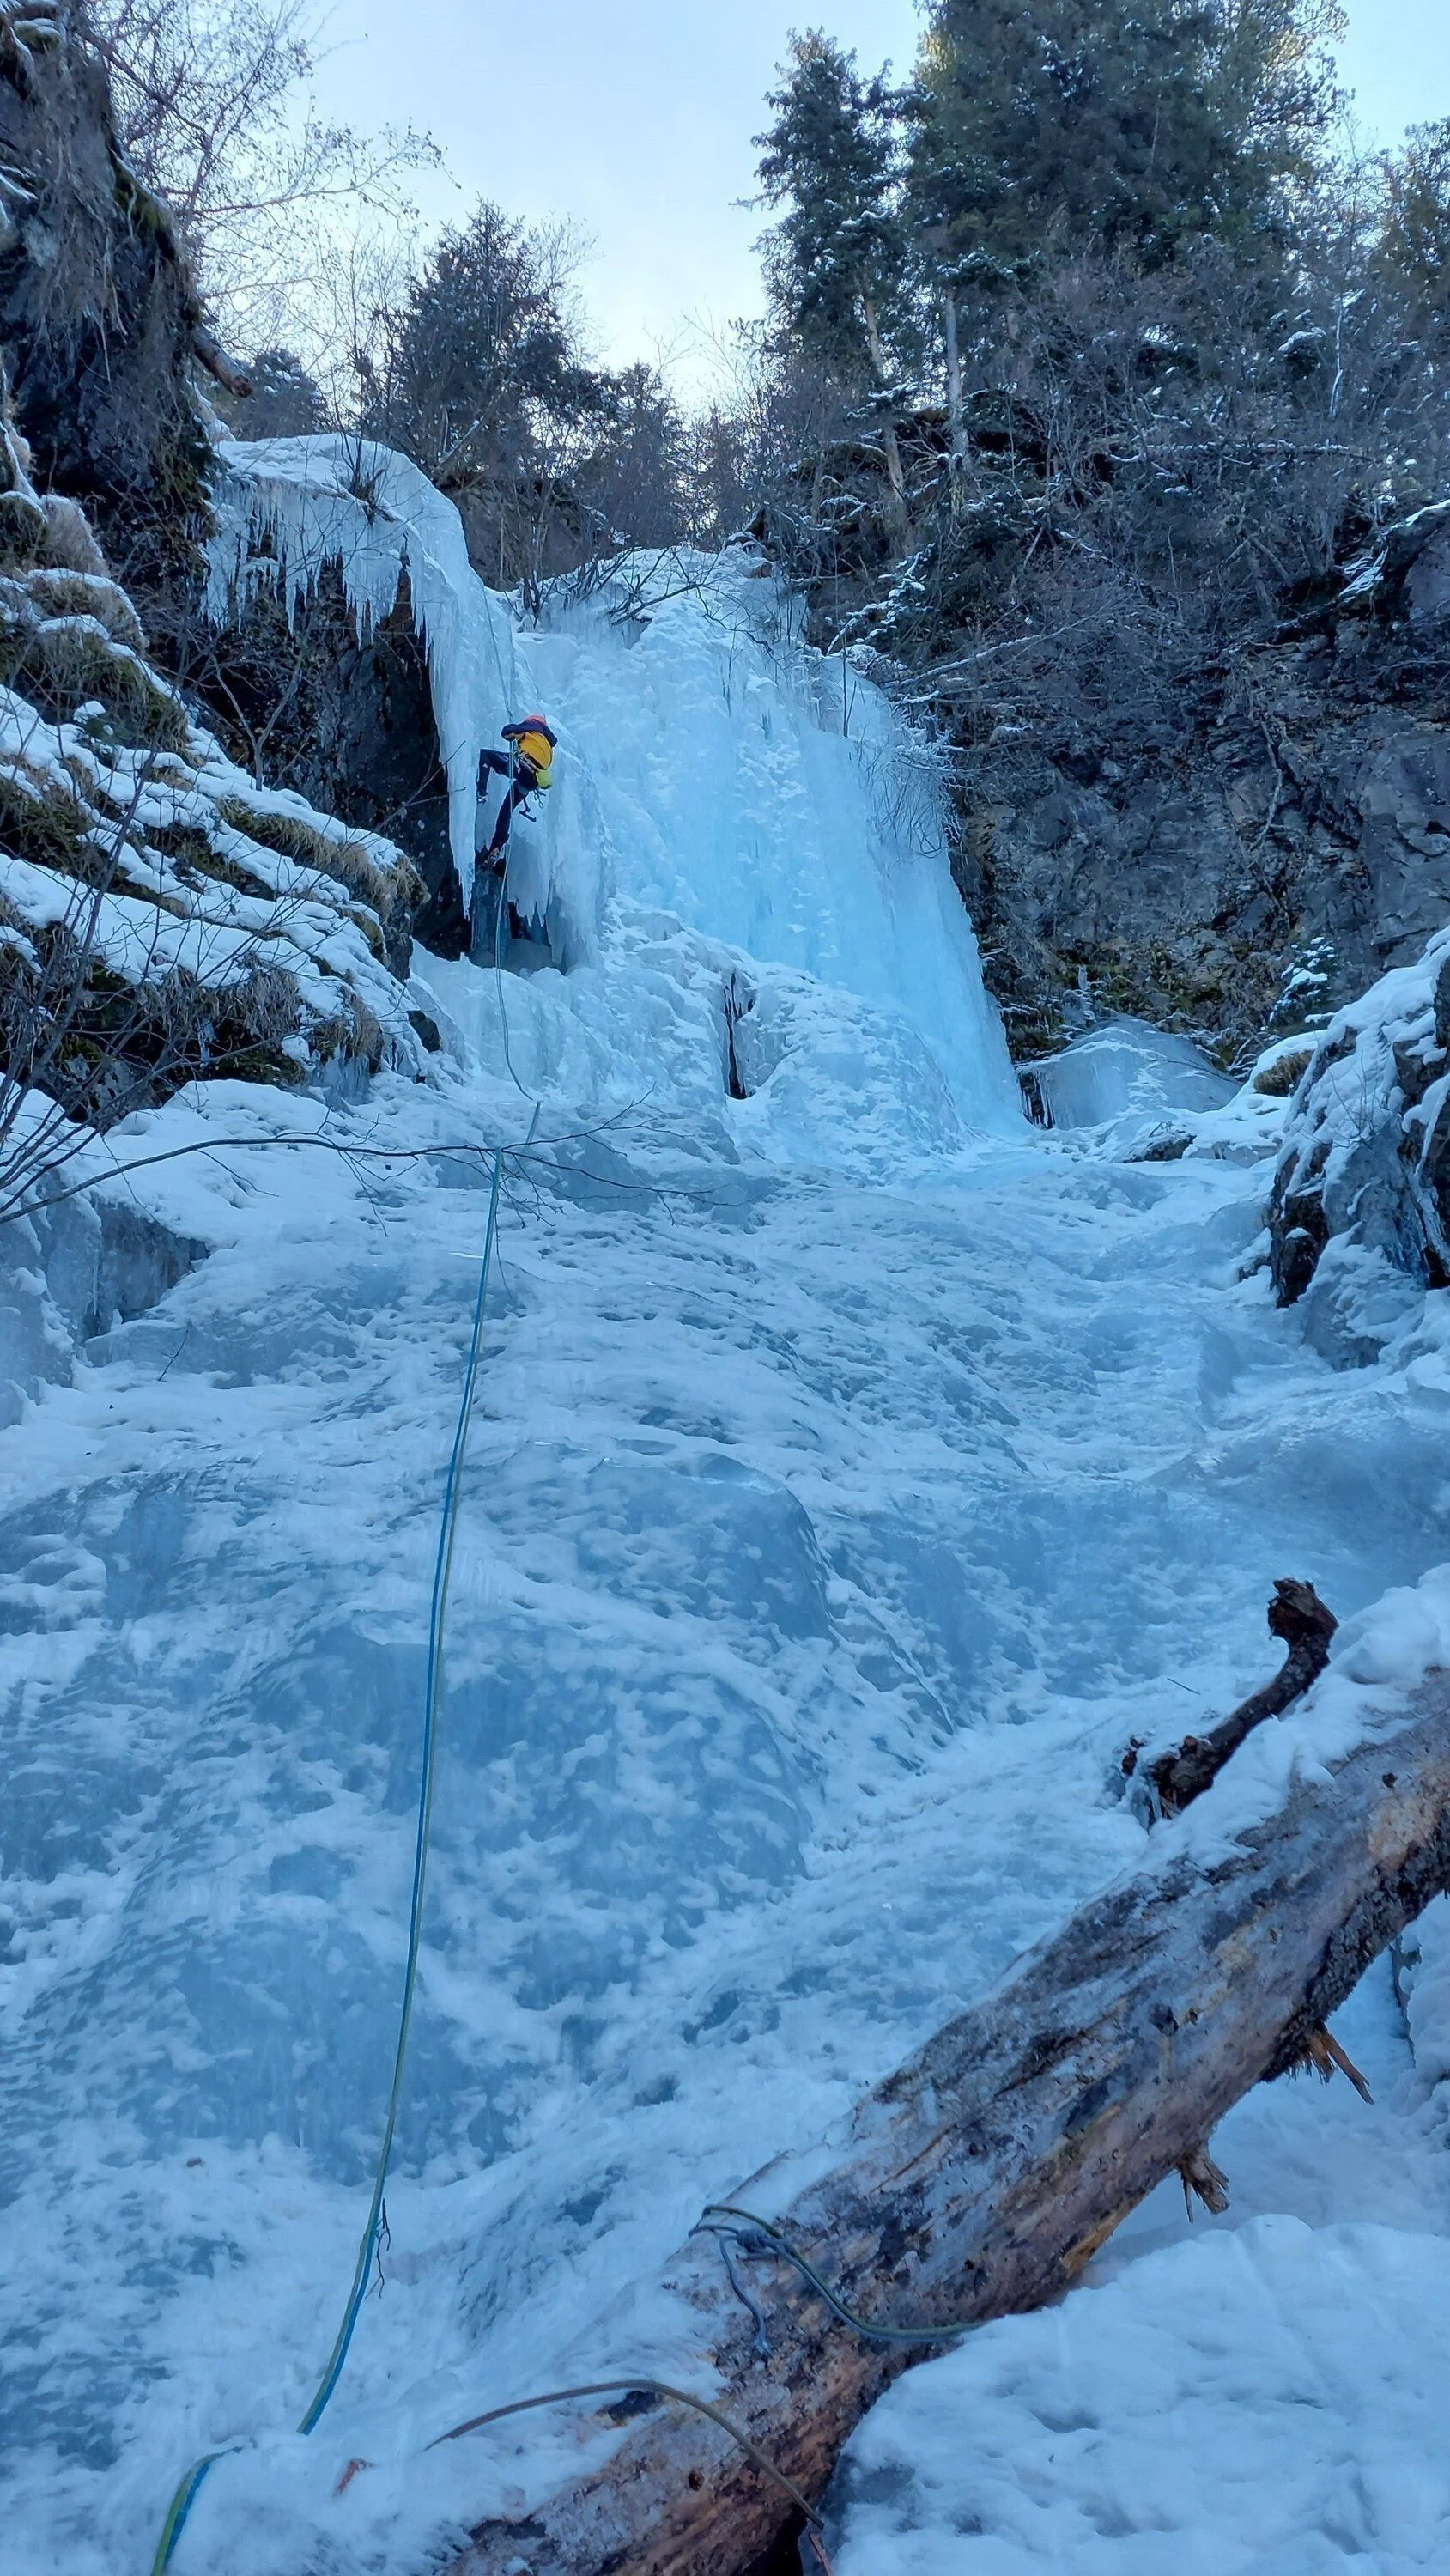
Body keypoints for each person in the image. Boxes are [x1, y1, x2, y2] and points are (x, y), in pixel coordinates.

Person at [477, 714, 556, 868]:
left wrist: (517, 732)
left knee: (486, 756)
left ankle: (481, 791)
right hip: (532, 782)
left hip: (522, 766)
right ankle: (496, 847)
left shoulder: (532, 727)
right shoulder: (548, 745)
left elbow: (507, 732)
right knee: (506, 810)